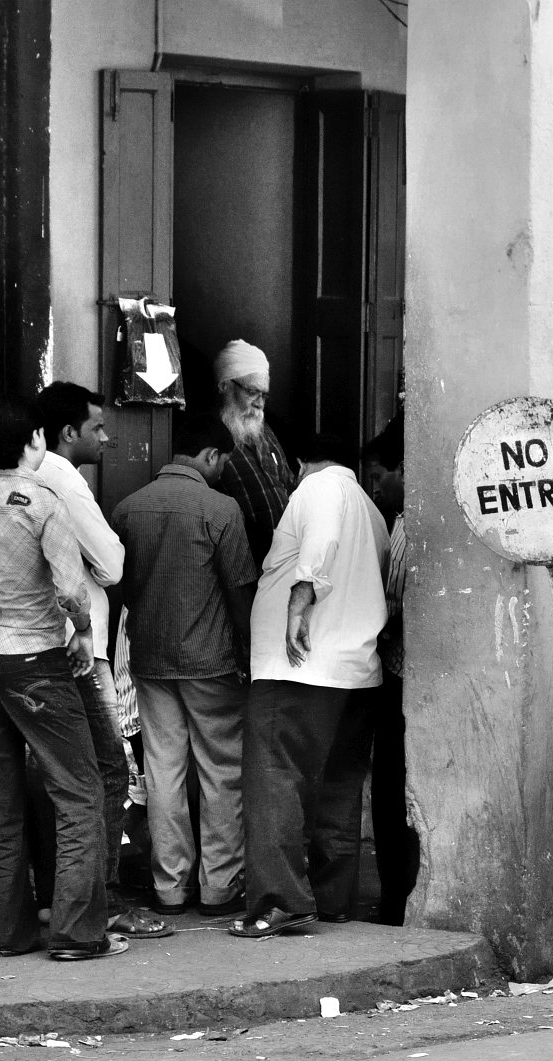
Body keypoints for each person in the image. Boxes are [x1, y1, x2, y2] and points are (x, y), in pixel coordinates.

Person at [0, 396, 126, 961]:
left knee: (0, 803)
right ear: (34, 437)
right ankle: (77, 934)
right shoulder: (42, 501)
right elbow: (71, 589)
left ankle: (7, 935)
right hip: (37, 661)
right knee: (79, 792)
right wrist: (83, 633)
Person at [232, 433, 390, 939]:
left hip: (299, 668)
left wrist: (302, 595)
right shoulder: (372, 511)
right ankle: (331, 900)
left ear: (300, 463)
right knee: (339, 788)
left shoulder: (318, 488)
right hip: (355, 670)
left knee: (274, 781)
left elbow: (319, 540)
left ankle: (279, 901)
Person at [33, 381, 170, 939]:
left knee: (54, 775)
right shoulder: (62, 477)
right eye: (98, 427)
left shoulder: (19, 476)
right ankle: (103, 901)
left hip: (27, 647)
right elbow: (111, 564)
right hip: (78, 647)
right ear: (69, 433)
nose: (107, 438)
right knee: (109, 769)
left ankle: (57, 898)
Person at [111, 414, 258, 918]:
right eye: (223, 464)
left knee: (163, 771)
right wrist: (249, 652)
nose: (222, 472)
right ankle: (220, 888)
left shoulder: (128, 508)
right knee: (221, 773)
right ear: (211, 456)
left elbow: (118, 588)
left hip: (150, 662)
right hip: (211, 663)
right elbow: (240, 594)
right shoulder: (221, 509)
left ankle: (170, 887)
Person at [363, 416, 420, 925]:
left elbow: (399, 602)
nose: (376, 488)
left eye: (381, 476)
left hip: (405, 676)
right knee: (389, 789)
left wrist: (374, 624)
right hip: (397, 672)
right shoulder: (399, 519)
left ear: (404, 469)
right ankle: (394, 896)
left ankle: (399, 900)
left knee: (394, 789)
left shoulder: (414, 523)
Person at [214, 339, 295, 566]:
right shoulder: (210, 435)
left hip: (283, 564)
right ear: (225, 386)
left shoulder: (265, 430)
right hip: (241, 568)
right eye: (252, 392)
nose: (260, 403)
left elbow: (288, 483)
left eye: (264, 395)